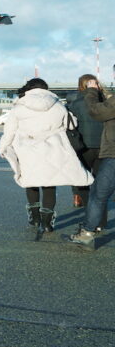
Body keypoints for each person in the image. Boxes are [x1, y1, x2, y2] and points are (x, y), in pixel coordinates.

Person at [0, 78, 93, 236]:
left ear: (29, 89)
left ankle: (34, 218)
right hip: (53, 149)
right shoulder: (57, 105)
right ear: (45, 89)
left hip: (28, 149)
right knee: (50, 184)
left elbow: (9, 132)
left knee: (31, 182)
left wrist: (2, 148)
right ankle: (47, 222)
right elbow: (71, 125)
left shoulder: (19, 107)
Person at [68, 76, 115, 248]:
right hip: (103, 149)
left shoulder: (78, 101)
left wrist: (92, 91)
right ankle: (93, 227)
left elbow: (96, 112)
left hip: (105, 151)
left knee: (97, 192)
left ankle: (87, 232)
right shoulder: (109, 99)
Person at [66, 74, 105, 215]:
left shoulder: (74, 102)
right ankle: (98, 210)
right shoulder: (104, 100)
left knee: (80, 174)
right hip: (103, 144)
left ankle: (78, 197)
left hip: (81, 144)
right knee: (99, 177)